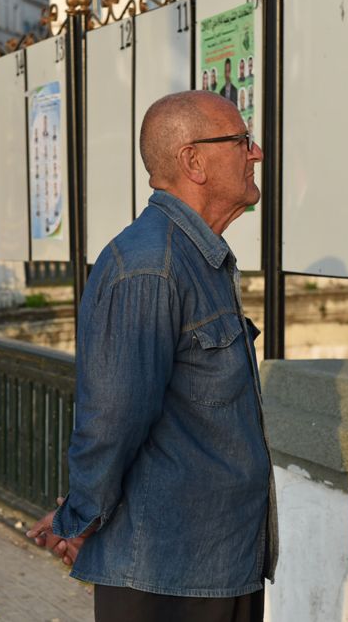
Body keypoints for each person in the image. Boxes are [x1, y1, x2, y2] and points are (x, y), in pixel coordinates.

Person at [26, 90, 275, 622]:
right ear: (194, 161)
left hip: (215, 562)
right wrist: (79, 517)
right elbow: (113, 417)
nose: (255, 154)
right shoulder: (149, 265)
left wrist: (78, 515)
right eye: (241, 142)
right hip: (167, 574)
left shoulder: (196, 257)